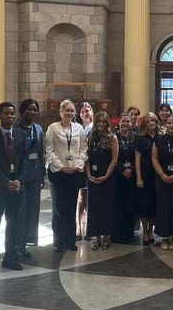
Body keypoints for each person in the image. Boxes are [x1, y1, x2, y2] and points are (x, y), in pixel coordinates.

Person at [0, 102, 27, 275]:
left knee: (13, 224)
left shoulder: (20, 134)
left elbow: (24, 160)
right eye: (6, 113)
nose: (10, 116)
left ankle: (10, 257)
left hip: (15, 186)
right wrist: (4, 181)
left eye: (12, 114)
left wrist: (19, 180)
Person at [45, 99, 88, 253]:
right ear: (61, 112)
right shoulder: (53, 128)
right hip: (58, 173)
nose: (69, 113)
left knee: (71, 207)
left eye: (71, 110)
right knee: (58, 208)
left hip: (74, 172)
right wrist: (61, 166)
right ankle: (58, 240)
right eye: (66, 110)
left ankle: (70, 240)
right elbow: (49, 151)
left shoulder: (79, 128)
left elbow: (83, 148)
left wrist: (78, 165)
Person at [15, 98, 46, 258]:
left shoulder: (39, 129)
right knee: (20, 211)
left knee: (33, 209)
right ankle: (17, 243)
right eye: (29, 109)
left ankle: (28, 241)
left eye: (35, 110)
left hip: (35, 174)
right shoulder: (14, 128)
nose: (32, 112)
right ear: (22, 110)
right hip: (20, 175)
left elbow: (41, 153)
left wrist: (43, 175)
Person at [86, 111, 118, 250]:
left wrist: (106, 175)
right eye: (98, 121)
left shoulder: (112, 138)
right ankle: (96, 237)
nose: (100, 124)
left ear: (107, 123)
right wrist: (88, 174)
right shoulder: (91, 137)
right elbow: (86, 158)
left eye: (103, 122)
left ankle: (106, 237)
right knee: (94, 208)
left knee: (106, 207)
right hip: (93, 177)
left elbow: (114, 159)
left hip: (107, 178)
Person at [152, 113, 173, 250]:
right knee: (163, 207)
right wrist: (162, 174)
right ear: (165, 125)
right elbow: (154, 159)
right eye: (169, 123)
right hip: (162, 179)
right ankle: (164, 237)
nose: (171, 125)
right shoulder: (158, 140)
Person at [111, 112, 138, 243]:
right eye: (123, 121)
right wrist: (122, 169)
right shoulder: (114, 137)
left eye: (128, 121)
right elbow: (112, 157)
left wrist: (131, 168)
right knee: (117, 204)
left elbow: (137, 157)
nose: (126, 123)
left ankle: (128, 233)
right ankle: (116, 233)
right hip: (117, 175)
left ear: (131, 123)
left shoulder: (135, 137)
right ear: (119, 122)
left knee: (129, 204)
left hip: (132, 175)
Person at [135, 112, 160, 245]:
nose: (151, 123)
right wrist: (139, 177)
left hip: (157, 175)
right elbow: (137, 159)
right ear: (145, 123)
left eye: (153, 120)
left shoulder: (160, 137)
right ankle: (145, 231)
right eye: (148, 121)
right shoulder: (140, 138)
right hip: (144, 174)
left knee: (154, 204)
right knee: (144, 204)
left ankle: (151, 230)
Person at [76, 102, 94, 240]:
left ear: (91, 112)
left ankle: (89, 225)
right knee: (81, 197)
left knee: (91, 197)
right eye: (82, 111)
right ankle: (78, 226)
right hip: (79, 165)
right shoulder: (76, 128)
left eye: (87, 111)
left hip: (93, 165)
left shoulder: (95, 128)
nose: (85, 113)